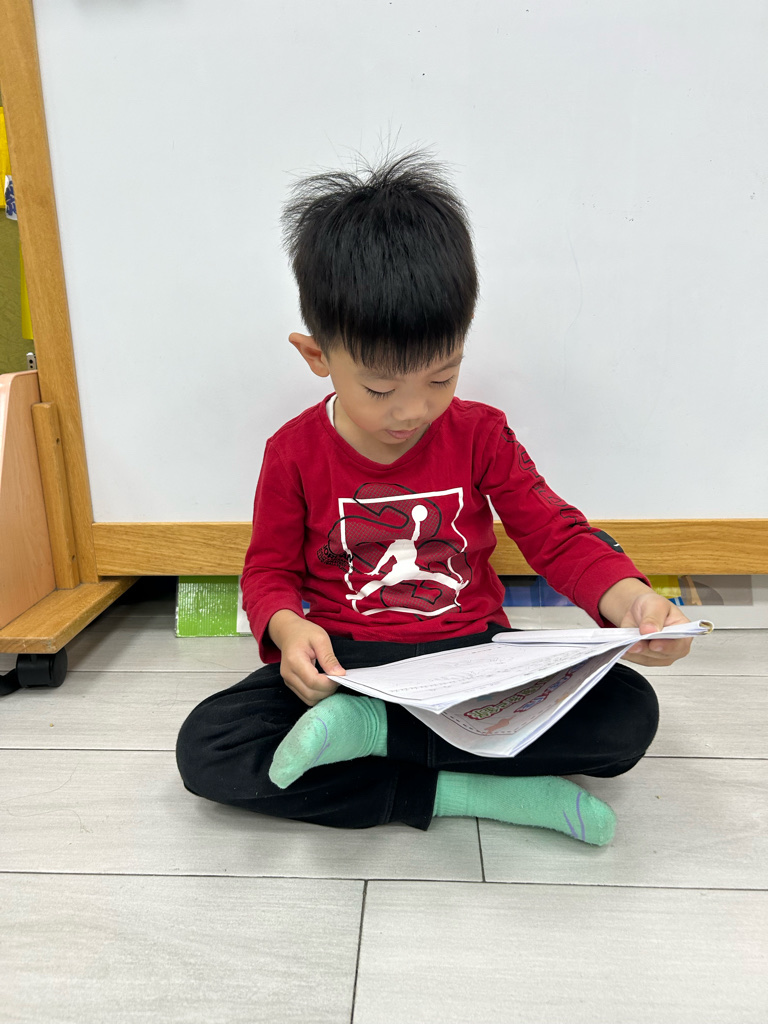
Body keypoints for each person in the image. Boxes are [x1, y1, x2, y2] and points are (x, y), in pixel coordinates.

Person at [176, 151, 692, 846]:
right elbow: (268, 570)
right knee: (208, 746)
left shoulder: (482, 434)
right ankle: (460, 784)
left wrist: (627, 599)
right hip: (350, 668)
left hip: (475, 661)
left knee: (630, 715)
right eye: (380, 389)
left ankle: (379, 742)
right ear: (317, 355)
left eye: (441, 378)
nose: (412, 411)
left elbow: (555, 534)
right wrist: (289, 630)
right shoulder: (293, 452)